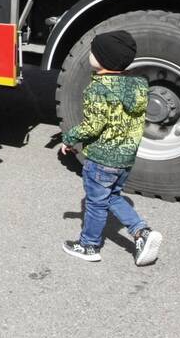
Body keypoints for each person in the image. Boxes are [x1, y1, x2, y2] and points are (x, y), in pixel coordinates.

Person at [61, 31, 162, 266]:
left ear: (103, 59)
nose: (90, 54)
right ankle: (141, 232)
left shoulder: (98, 89)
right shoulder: (138, 86)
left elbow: (93, 126)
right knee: (112, 196)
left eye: (94, 52)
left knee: (96, 202)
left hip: (102, 158)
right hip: (125, 158)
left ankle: (89, 245)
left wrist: (69, 138)